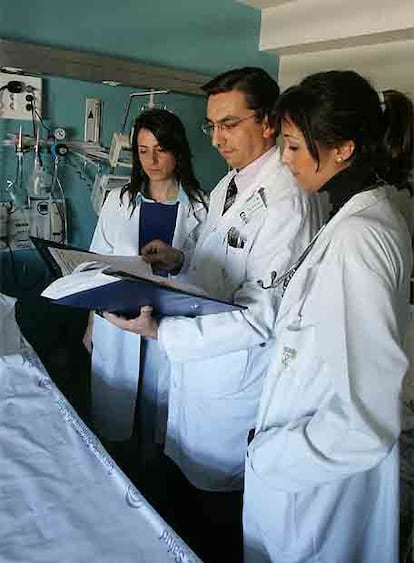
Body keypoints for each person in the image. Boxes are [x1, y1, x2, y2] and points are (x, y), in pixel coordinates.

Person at [104, 67, 323, 561]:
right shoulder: (232, 184)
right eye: (212, 126)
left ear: (268, 123)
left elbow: (259, 316)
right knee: (183, 512)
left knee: (214, 527)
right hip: (198, 378)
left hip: (233, 387)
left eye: (229, 123)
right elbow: (222, 266)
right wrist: (179, 259)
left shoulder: (288, 201)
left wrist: (160, 331)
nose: (218, 138)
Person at [243, 70, 414, 563]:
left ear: (343, 149)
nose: (284, 159)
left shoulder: (360, 236)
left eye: (295, 146)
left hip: (315, 490)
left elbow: (367, 419)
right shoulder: (350, 216)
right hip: (301, 466)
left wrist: (272, 458)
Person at [83, 109, 207, 469]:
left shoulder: (204, 207)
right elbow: (96, 267)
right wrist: (91, 325)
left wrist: (177, 259)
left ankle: (156, 481)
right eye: (142, 150)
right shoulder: (118, 202)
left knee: (161, 415)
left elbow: (210, 275)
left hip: (170, 324)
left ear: (178, 151)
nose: (151, 160)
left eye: (160, 149)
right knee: (116, 416)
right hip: (118, 322)